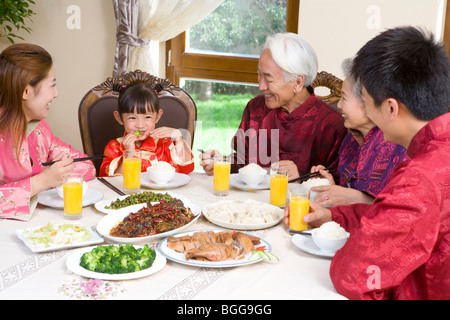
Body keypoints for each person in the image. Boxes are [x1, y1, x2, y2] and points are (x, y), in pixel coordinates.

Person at [296, 26, 450, 299]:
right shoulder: (436, 149)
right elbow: (392, 219)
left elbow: (354, 276)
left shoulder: (422, 177)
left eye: (366, 103)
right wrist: (334, 216)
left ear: (391, 108)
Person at [200, 33, 347, 180]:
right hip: (251, 201)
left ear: (298, 82)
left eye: (268, 78)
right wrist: (221, 163)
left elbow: (339, 184)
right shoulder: (255, 108)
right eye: (259, 75)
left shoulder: (332, 125)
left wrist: (302, 176)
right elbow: (241, 163)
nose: (261, 86)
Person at [0, 43, 95, 221]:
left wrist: (58, 174)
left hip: (39, 225)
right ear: (26, 91)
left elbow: (87, 166)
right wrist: (40, 182)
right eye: (52, 85)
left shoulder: (39, 130)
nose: (56, 93)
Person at [309, 59, 409, 207]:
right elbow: (347, 190)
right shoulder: (351, 138)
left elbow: (404, 211)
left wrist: (361, 199)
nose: (339, 105)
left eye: (344, 98)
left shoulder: (400, 147)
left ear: (368, 103)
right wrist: (331, 184)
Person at [100, 82, 194, 177]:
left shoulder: (164, 144)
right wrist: (129, 154)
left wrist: (178, 136)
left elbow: (186, 169)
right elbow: (111, 181)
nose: (140, 125)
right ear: (119, 118)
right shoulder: (114, 147)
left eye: (147, 117)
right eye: (132, 118)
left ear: (157, 116)